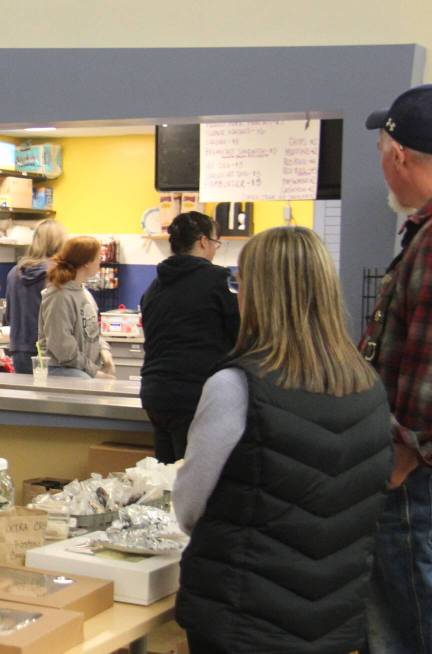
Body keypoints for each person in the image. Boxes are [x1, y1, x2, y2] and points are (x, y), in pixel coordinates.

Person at [173, 227, 392, 654]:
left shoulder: (236, 387)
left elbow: (188, 508)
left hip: (242, 618)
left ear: (259, 293)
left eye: (240, 282)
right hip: (333, 617)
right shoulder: (369, 388)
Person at [360, 83, 432, 654]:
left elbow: (427, 364)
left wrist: (403, 457)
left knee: (408, 631)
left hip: (417, 485)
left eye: (382, 155)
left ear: (399, 155)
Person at [139, 211, 240, 463]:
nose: (216, 249)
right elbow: (241, 335)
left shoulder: (154, 288)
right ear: (204, 241)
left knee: (165, 479)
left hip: (155, 395)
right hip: (197, 394)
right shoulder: (220, 281)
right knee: (195, 480)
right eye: (216, 243)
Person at [36, 236, 114, 379]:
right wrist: (94, 372)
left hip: (82, 369)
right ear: (86, 262)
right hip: (63, 371)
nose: (100, 262)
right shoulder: (58, 296)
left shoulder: (83, 292)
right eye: (98, 258)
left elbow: (91, 331)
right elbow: (62, 347)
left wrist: (104, 351)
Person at [3, 219, 66, 374]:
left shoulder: (14, 272)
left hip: (19, 350)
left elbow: (9, 316)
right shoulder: (57, 273)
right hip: (49, 352)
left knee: (26, 397)